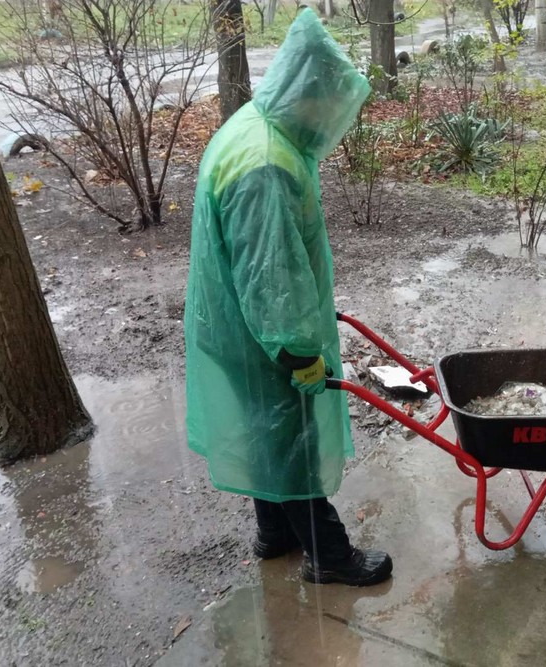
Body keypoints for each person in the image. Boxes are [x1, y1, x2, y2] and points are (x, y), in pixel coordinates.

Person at [184, 9, 392, 587]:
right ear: (307, 92)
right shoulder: (266, 166)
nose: (331, 118)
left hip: (231, 324)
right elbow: (269, 276)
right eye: (328, 103)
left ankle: (274, 533)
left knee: (263, 429)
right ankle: (330, 556)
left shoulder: (254, 125)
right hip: (259, 334)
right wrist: (298, 349)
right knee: (292, 435)